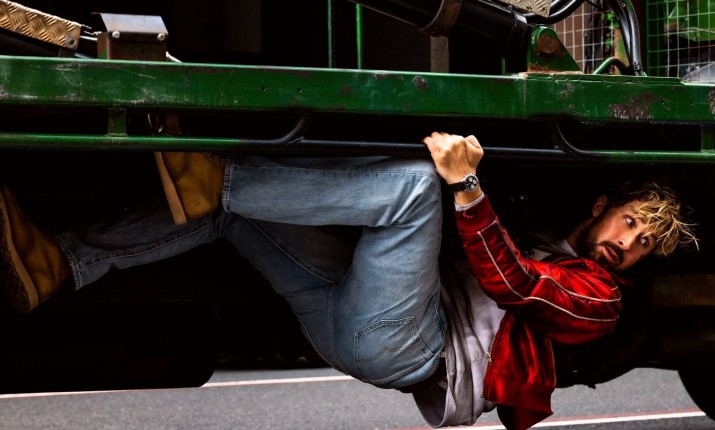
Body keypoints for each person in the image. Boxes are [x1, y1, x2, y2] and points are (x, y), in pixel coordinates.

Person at [0, 131, 698, 429]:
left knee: (417, 189)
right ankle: (62, 263)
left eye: (646, 246)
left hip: (409, 345)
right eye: (632, 223)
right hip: (355, 322)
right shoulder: (550, 240)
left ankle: (222, 177)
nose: (628, 245)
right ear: (602, 207)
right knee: (233, 215)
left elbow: (513, 284)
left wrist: (466, 186)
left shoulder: (598, 300)